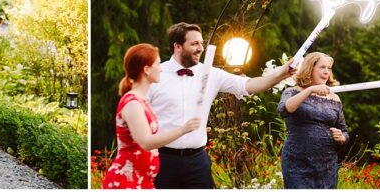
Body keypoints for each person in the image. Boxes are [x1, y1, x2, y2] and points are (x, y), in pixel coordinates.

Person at [150, 22, 295, 189]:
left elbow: (248, 85)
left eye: (202, 43)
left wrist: (280, 75)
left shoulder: (211, 74)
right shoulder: (156, 75)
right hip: (163, 159)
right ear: (177, 46)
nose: (201, 48)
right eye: (194, 43)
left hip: (197, 160)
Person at [102, 43, 201, 189]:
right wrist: (182, 129)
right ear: (147, 69)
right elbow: (146, 142)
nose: (161, 69)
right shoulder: (132, 103)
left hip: (144, 182)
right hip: (126, 182)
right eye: (158, 64)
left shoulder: (143, 100)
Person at [277, 52, 349, 189]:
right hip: (297, 163)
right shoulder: (292, 92)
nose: (326, 72)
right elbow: (284, 109)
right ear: (310, 68)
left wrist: (342, 137)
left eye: (329, 68)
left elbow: (344, 131)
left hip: (327, 165)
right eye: (322, 67)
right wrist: (310, 90)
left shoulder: (334, 98)